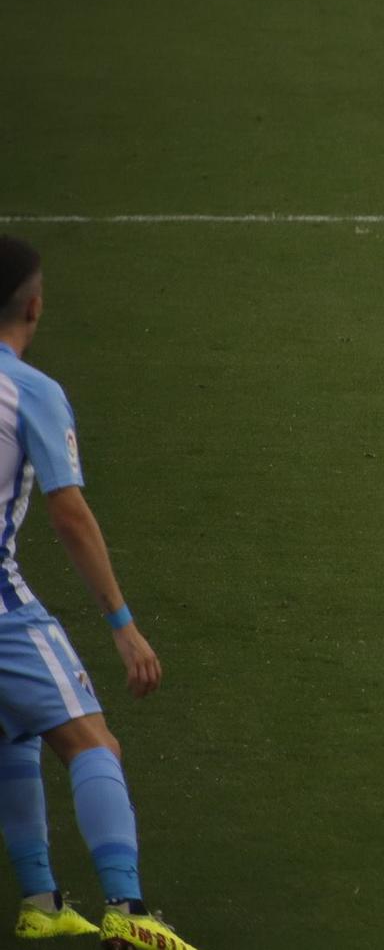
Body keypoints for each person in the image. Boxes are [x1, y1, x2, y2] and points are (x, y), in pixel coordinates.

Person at [0, 239, 196, 950]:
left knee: (15, 728)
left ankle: (41, 900)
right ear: (34, 303)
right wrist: (122, 623)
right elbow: (69, 513)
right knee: (91, 740)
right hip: (0, 607)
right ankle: (128, 907)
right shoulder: (30, 390)